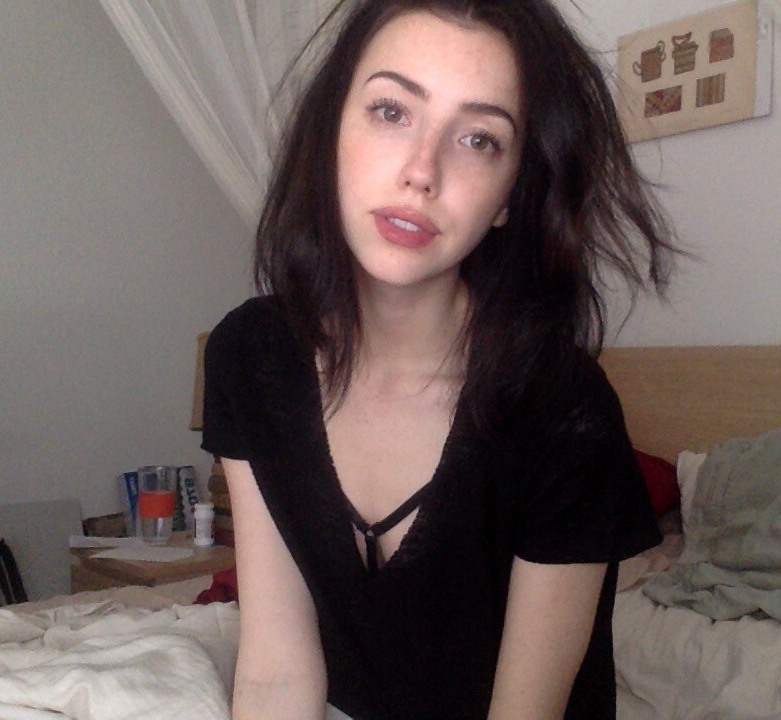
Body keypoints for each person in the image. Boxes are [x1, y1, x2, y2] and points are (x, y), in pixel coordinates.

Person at [202, 1, 678, 718]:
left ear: (509, 197)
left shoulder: (563, 408)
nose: (422, 171)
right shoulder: (252, 357)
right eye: (391, 111)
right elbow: (275, 672)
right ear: (331, 133)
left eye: (479, 139)